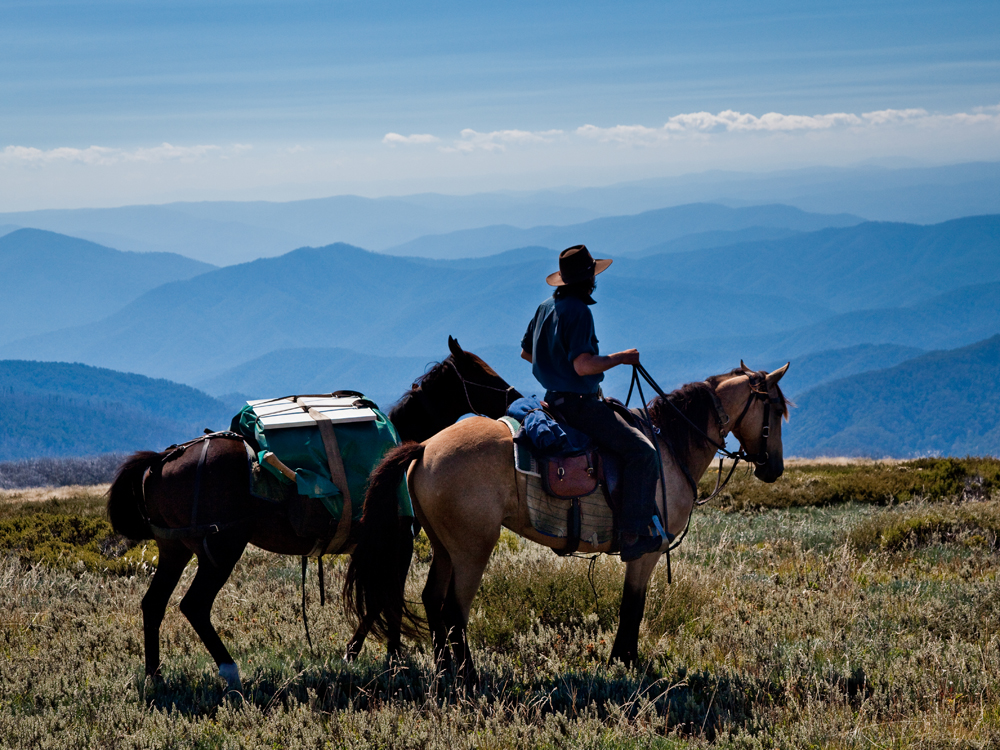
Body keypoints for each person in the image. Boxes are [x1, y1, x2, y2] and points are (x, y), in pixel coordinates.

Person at [520, 244, 663, 562]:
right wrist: (621, 358)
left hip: (551, 401)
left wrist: (553, 366)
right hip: (580, 405)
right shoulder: (579, 311)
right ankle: (633, 534)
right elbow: (584, 366)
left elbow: (527, 353)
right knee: (643, 452)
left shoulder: (545, 307)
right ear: (589, 279)